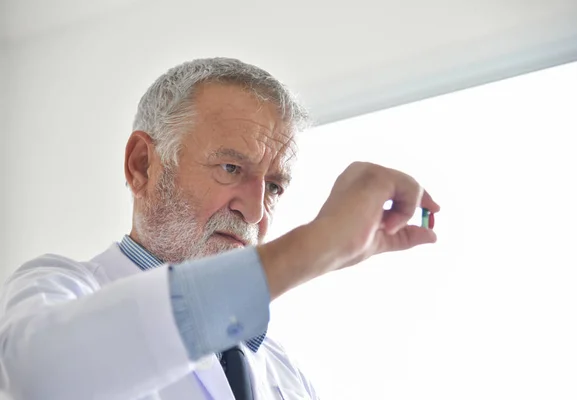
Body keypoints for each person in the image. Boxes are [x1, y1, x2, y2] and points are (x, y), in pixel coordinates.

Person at [0, 58, 440, 400]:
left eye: (274, 186)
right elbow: (42, 377)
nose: (254, 212)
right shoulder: (59, 288)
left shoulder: (286, 373)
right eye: (231, 167)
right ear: (142, 165)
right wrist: (316, 244)